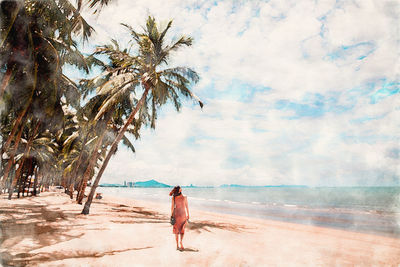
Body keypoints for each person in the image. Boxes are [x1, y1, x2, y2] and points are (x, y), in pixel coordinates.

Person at [169, 186, 189, 251]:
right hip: (183, 214)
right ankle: (181, 242)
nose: (181, 188)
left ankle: (177, 245)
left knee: (177, 231)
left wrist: (171, 215)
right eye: (180, 188)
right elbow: (187, 206)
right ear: (179, 190)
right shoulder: (185, 197)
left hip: (176, 214)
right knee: (182, 229)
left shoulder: (174, 198)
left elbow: (172, 207)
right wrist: (188, 214)